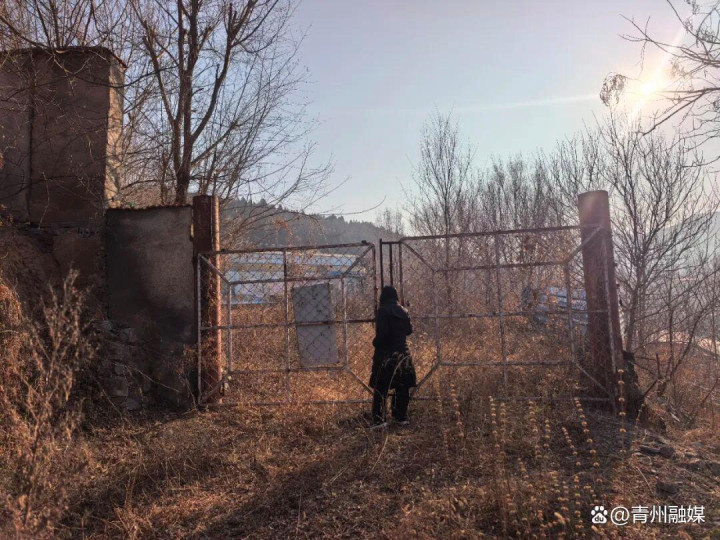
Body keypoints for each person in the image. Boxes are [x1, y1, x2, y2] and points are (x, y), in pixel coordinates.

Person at [369, 285, 417, 428]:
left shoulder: (382, 311)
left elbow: (382, 335)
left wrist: (375, 342)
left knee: (381, 387)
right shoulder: (404, 311)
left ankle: (379, 420)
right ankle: (401, 416)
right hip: (403, 353)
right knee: (402, 386)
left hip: (386, 354)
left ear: (382, 297)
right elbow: (409, 331)